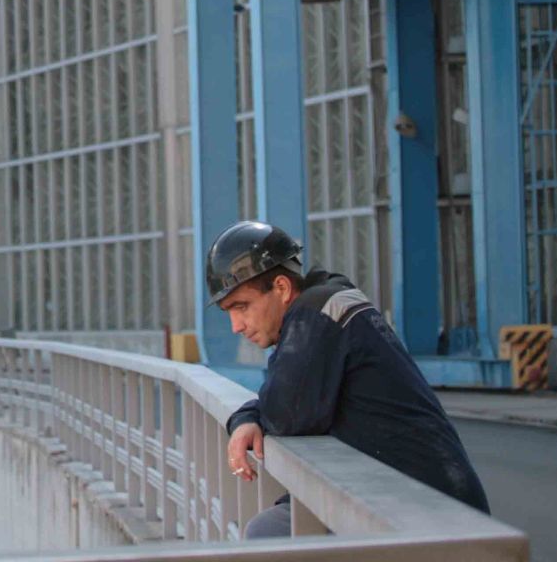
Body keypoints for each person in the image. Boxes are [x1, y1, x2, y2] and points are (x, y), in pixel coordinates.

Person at [207, 220, 490, 538]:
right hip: (437, 502)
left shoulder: (314, 317)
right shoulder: (329, 301)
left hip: (424, 517)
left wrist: (249, 415)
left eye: (241, 307)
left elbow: (285, 415)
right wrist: (248, 415)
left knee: (267, 533)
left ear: (283, 288)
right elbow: (287, 397)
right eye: (228, 311)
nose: (236, 325)